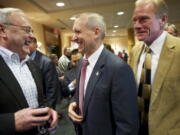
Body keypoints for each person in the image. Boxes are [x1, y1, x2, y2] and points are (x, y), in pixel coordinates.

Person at [68, 12, 139, 135]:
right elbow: (81, 93)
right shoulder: (81, 63)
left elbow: (127, 126)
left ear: (96, 32)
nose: (73, 38)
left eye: (78, 32)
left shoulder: (119, 68)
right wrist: (73, 103)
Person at [0, 8, 58, 135]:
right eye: (26, 30)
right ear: (3, 30)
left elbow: (40, 99)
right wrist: (11, 122)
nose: (32, 36)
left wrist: (47, 110)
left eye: (31, 31)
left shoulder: (31, 64)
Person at [129, 0, 180, 135]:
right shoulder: (135, 51)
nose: (137, 26)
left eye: (143, 19)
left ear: (163, 19)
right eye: (134, 20)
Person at [29, 37, 60, 109]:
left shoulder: (46, 61)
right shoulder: (23, 58)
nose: (26, 44)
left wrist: (49, 108)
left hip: (43, 106)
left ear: (35, 45)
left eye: (29, 42)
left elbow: (52, 88)